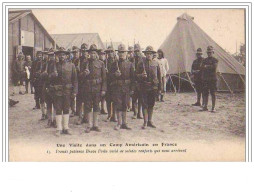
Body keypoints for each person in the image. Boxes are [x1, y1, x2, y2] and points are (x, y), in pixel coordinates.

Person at [49, 47, 78, 135]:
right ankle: (59, 128)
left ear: (66, 56)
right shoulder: (53, 66)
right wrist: (52, 75)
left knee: (66, 109)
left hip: (68, 91)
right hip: (57, 91)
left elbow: (75, 80)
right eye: (60, 54)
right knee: (58, 109)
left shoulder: (71, 65)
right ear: (57, 55)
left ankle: (66, 128)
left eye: (63, 54)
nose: (62, 56)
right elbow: (48, 80)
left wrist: (75, 91)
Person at [79, 44, 107, 133]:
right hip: (87, 88)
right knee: (88, 106)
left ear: (97, 54)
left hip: (97, 88)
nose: (93, 55)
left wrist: (103, 89)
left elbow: (104, 78)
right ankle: (89, 125)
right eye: (91, 53)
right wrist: (84, 73)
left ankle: (96, 125)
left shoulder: (101, 63)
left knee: (96, 106)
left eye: (94, 53)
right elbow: (79, 77)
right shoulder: (84, 63)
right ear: (89, 53)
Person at [109, 44, 135, 130]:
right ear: (118, 53)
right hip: (117, 87)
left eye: (123, 52)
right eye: (120, 52)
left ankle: (125, 123)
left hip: (126, 87)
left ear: (126, 53)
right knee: (118, 105)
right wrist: (115, 75)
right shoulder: (114, 64)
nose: (121, 54)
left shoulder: (130, 64)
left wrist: (132, 88)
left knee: (125, 105)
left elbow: (133, 77)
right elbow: (109, 76)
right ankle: (119, 123)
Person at [136, 46, 162, 129]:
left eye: (150, 54)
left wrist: (160, 88)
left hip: (153, 87)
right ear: (145, 54)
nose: (149, 55)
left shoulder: (156, 63)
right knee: (144, 105)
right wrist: (141, 75)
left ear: (153, 54)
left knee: (151, 104)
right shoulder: (141, 63)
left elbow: (159, 76)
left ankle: (150, 121)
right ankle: (145, 122)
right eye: (147, 53)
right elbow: (135, 75)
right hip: (144, 87)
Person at [201, 46, 218, 112]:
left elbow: (214, 68)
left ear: (213, 52)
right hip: (206, 79)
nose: (209, 53)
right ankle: (205, 106)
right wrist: (207, 67)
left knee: (213, 93)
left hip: (213, 79)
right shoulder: (204, 60)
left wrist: (206, 66)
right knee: (205, 93)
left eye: (210, 52)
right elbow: (202, 67)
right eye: (208, 52)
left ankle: (213, 107)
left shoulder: (215, 60)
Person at [76, 43, 89, 125]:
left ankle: (86, 117)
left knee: (87, 101)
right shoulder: (77, 61)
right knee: (79, 101)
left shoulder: (89, 61)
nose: (84, 52)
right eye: (83, 50)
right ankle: (80, 117)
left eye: (86, 51)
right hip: (79, 84)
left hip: (87, 84)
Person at [105, 45, 118, 122]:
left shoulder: (117, 62)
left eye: (111, 52)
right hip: (107, 84)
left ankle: (114, 115)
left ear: (114, 53)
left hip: (114, 84)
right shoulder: (104, 62)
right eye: (108, 52)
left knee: (115, 100)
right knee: (108, 100)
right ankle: (109, 115)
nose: (110, 54)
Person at [45, 48, 57, 128]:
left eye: (52, 55)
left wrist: (50, 75)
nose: (51, 57)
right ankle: (49, 120)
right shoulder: (46, 64)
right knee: (49, 105)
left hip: (55, 87)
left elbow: (57, 75)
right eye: (50, 55)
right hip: (47, 86)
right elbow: (42, 75)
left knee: (56, 105)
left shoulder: (57, 64)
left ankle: (55, 120)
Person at [132, 43, 143, 119]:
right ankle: (135, 113)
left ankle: (140, 112)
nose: (136, 53)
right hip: (133, 82)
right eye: (135, 51)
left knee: (141, 98)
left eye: (138, 51)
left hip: (141, 82)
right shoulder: (131, 60)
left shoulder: (143, 60)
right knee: (134, 98)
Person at [70, 46, 80, 117]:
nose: (75, 54)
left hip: (80, 80)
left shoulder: (81, 60)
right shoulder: (71, 61)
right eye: (74, 52)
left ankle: (79, 111)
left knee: (79, 97)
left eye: (76, 52)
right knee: (72, 96)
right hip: (72, 80)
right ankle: (73, 110)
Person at [98, 49, 107, 115]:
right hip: (99, 80)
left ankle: (103, 108)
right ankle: (98, 107)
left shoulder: (106, 61)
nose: (102, 55)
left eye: (103, 54)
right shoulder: (98, 62)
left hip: (106, 80)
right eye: (101, 54)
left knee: (104, 96)